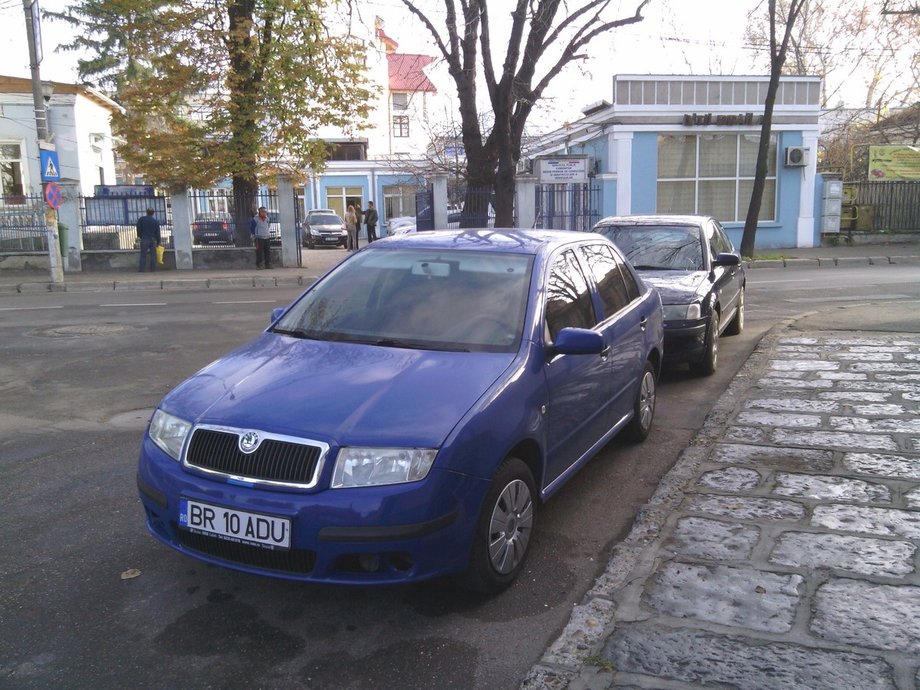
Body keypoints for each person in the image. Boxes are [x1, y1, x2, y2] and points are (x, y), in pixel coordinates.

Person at [136, 207, 161, 272]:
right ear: (153, 213)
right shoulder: (155, 221)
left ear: (146, 212)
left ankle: (142, 269)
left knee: (143, 255)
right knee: (153, 255)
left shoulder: (141, 219)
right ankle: (153, 269)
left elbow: (138, 228)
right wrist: (158, 241)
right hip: (153, 239)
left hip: (144, 238)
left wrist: (139, 235)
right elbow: (158, 232)